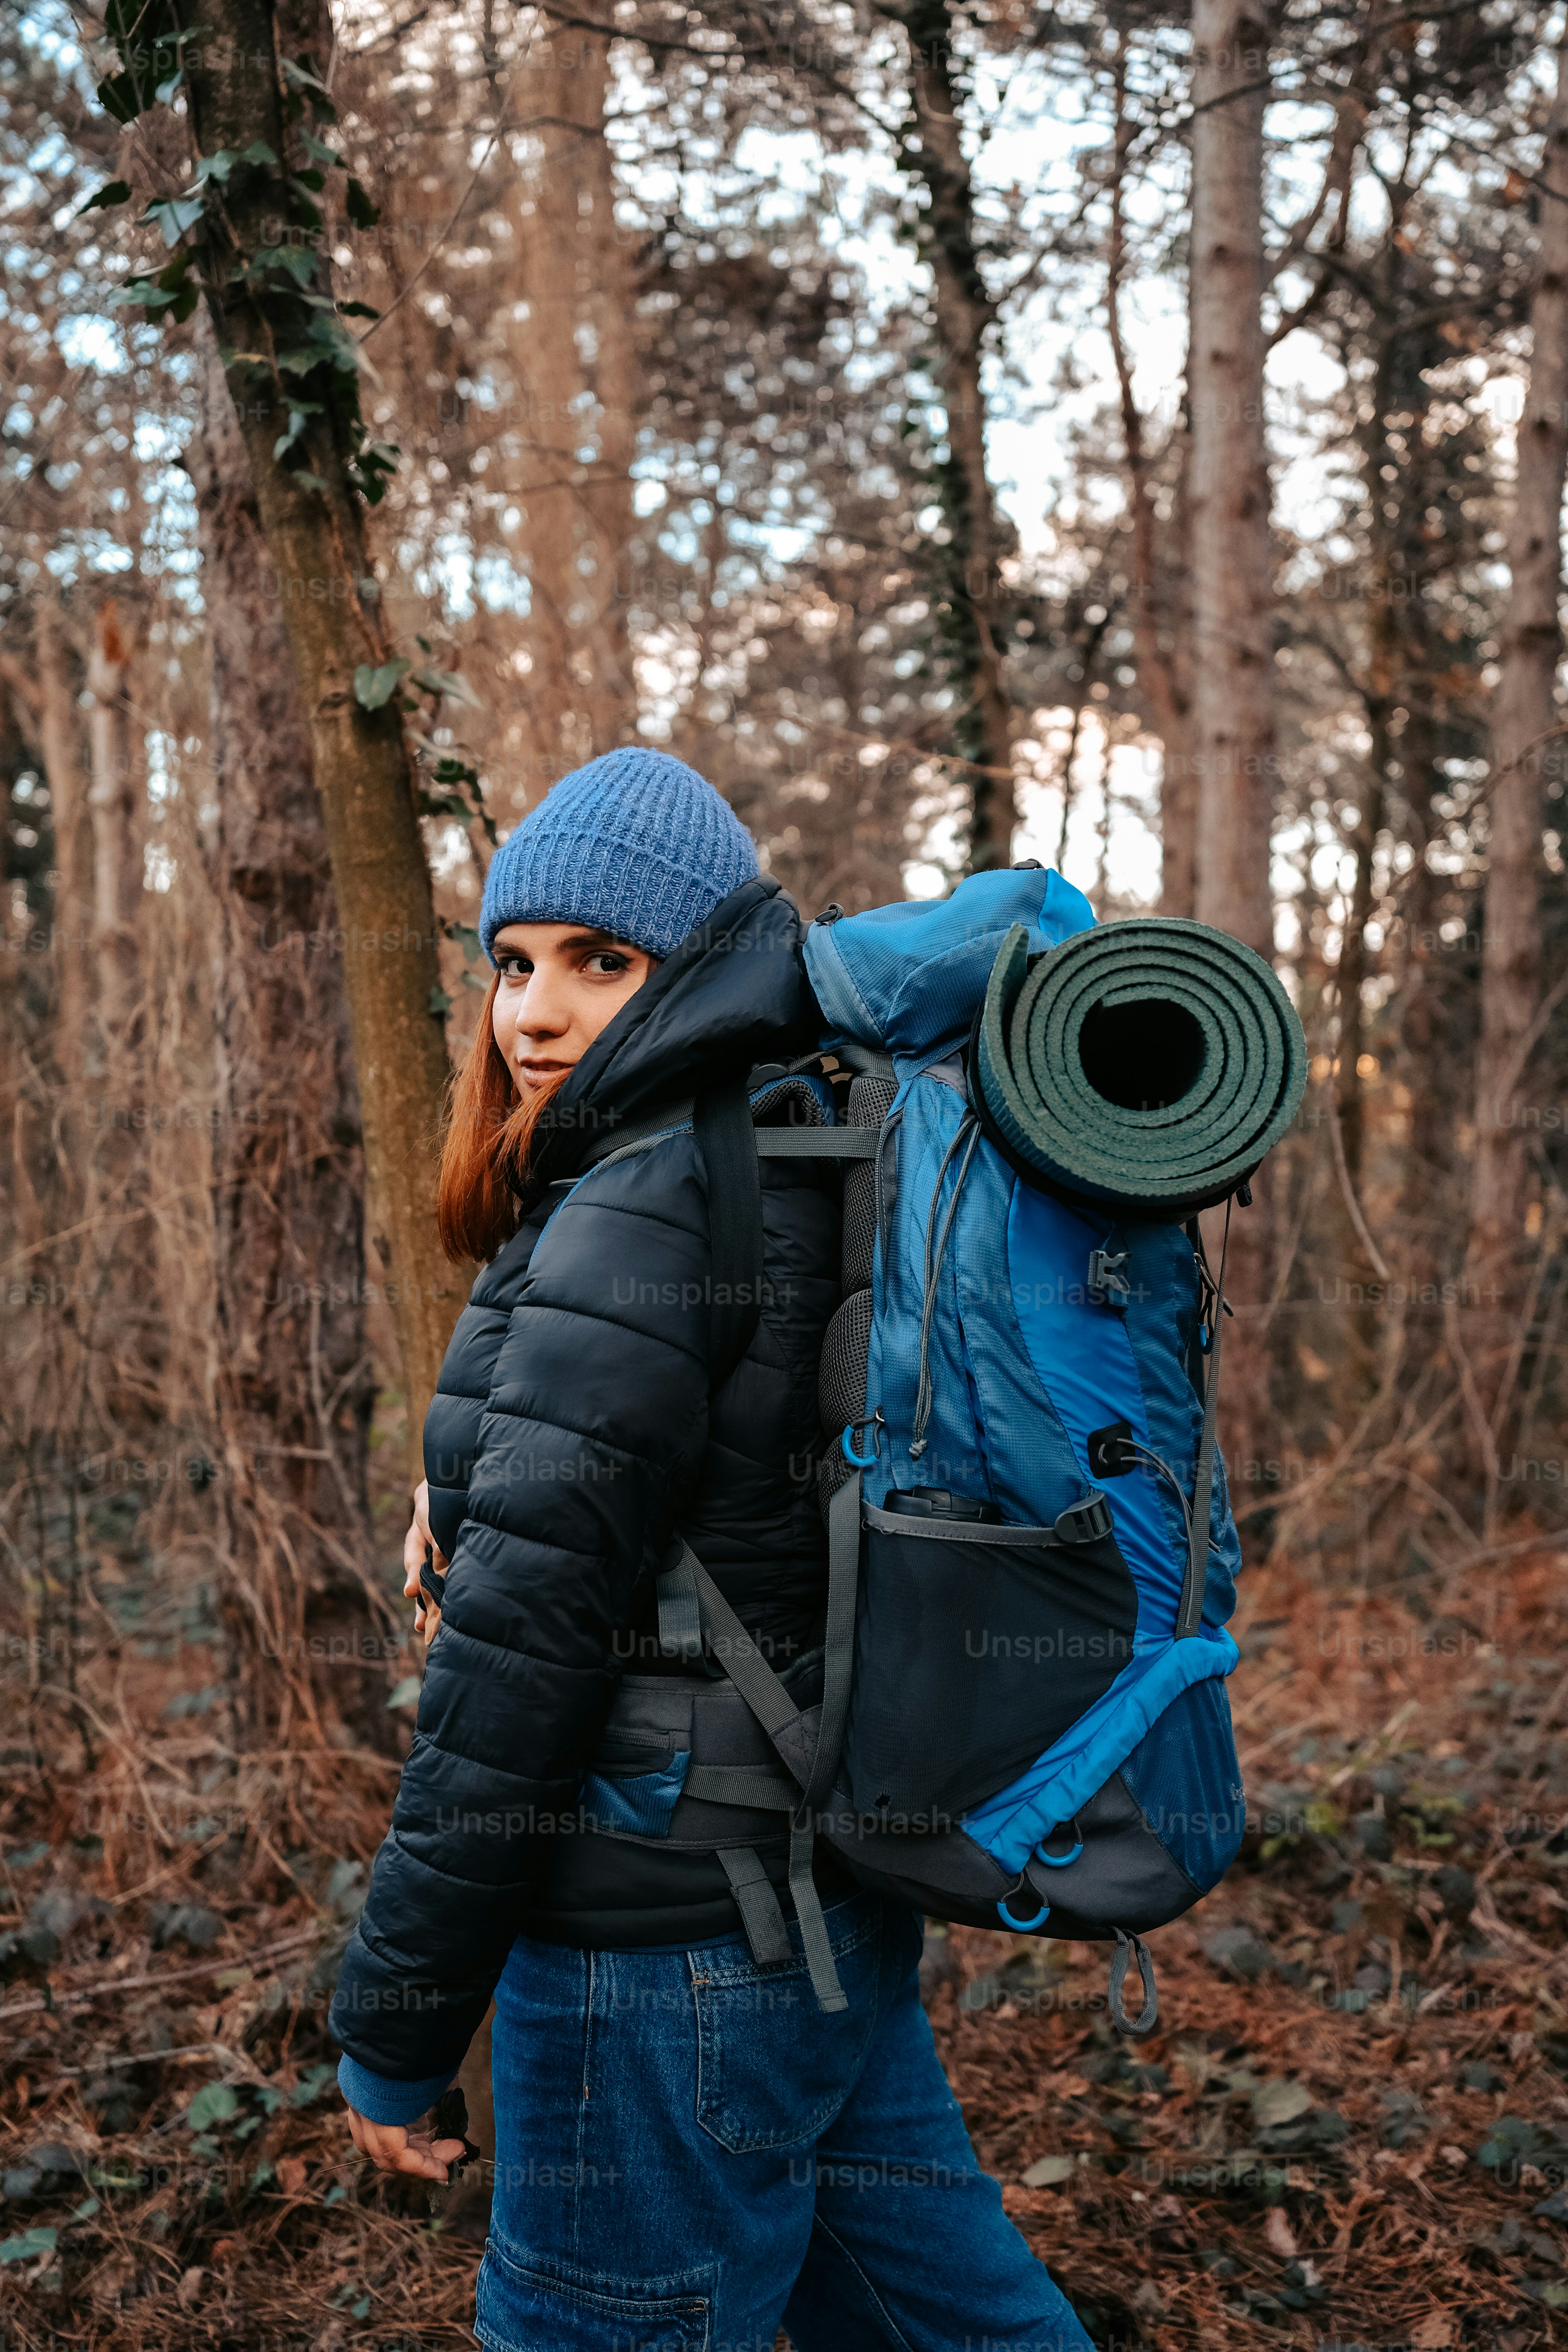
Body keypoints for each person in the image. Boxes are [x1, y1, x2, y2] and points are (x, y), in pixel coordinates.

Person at [331, 748, 1092, 2351]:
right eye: (511, 965)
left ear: (693, 968)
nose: (532, 1014)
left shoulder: (638, 1200)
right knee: (951, 2327)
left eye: (599, 964)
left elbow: (509, 1679)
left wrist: (394, 2026)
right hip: (816, 1901)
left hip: (651, 1950)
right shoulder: (799, 1145)